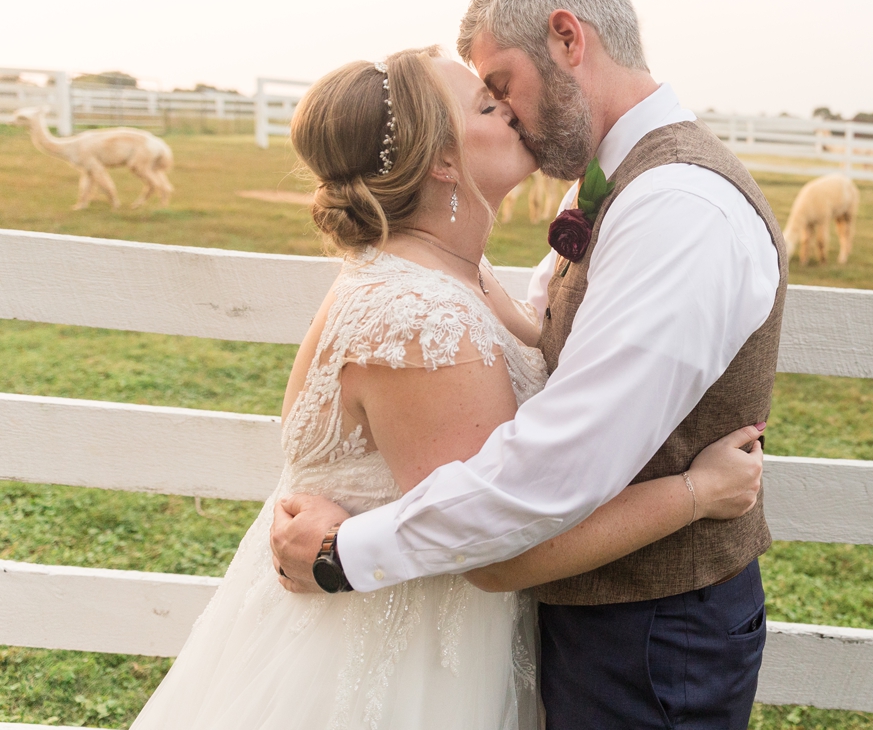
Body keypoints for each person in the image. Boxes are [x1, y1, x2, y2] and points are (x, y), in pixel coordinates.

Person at [131, 47, 766, 730]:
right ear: (441, 159)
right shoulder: (419, 322)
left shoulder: (465, 274)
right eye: (490, 105)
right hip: (393, 666)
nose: (516, 112)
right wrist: (698, 494)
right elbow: (502, 552)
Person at [272, 0, 789, 728]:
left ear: (567, 39)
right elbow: (552, 344)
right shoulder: (608, 190)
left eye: (502, 86)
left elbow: (557, 464)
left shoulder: (678, 209)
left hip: (653, 635)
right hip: (574, 625)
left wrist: (346, 553)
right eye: (487, 102)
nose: (508, 112)